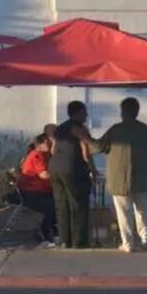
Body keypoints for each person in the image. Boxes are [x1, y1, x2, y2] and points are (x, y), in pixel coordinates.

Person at [90, 97, 147, 252]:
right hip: (143, 179)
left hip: (120, 179)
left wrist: (84, 138)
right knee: (143, 210)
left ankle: (128, 243)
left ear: (122, 111)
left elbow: (97, 147)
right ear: (137, 111)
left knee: (124, 213)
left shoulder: (116, 130)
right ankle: (146, 239)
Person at [50, 100, 96, 249]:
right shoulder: (79, 128)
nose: (87, 115)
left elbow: (53, 150)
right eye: (84, 112)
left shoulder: (60, 128)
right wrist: (92, 169)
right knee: (78, 204)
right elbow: (86, 150)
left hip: (55, 168)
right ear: (78, 113)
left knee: (61, 204)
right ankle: (79, 241)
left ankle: (64, 240)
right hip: (72, 168)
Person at [17, 133, 57, 246]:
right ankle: (42, 233)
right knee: (51, 207)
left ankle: (54, 231)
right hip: (31, 193)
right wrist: (60, 175)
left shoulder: (45, 155)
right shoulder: (36, 155)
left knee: (60, 203)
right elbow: (43, 174)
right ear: (40, 144)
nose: (50, 145)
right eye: (48, 143)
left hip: (41, 191)